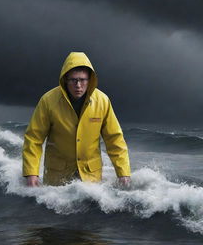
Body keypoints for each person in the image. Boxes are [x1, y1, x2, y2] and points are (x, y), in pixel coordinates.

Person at [23, 52, 131, 187]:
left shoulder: (102, 101)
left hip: (91, 177)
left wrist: (123, 173)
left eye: (83, 80)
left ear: (89, 80)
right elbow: (34, 138)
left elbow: (114, 139)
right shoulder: (48, 101)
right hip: (58, 176)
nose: (78, 85)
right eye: (73, 80)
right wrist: (31, 173)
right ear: (65, 79)